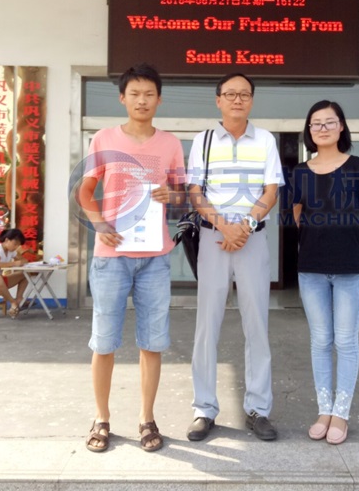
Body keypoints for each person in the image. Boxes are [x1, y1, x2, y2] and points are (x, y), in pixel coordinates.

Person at [78, 63, 185, 453]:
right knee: (104, 342)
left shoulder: (170, 143)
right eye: (135, 94)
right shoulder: (104, 138)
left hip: (155, 256)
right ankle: (102, 418)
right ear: (122, 98)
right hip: (112, 255)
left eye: (149, 94)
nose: (142, 100)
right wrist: (99, 223)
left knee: (152, 342)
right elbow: (86, 192)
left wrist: (169, 196)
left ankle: (146, 418)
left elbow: (181, 194)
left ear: (159, 98)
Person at [186, 73, 284, 442]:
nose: (237, 100)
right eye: (230, 94)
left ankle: (258, 408)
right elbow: (195, 191)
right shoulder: (204, 140)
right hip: (214, 239)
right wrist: (224, 227)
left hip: (252, 239)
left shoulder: (266, 140)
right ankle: (204, 408)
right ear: (218, 101)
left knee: (256, 323)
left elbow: (271, 190)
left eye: (244, 94)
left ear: (252, 101)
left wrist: (242, 225)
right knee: (206, 326)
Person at [291, 100, 359, 445]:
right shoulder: (300, 172)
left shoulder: (358, 167)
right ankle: (324, 409)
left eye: (330, 122)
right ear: (309, 131)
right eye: (316, 123)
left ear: (342, 126)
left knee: (345, 341)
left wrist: (352, 245)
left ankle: (341, 413)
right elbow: (297, 215)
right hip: (311, 268)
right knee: (320, 341)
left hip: (348, 268)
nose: (323, 128)